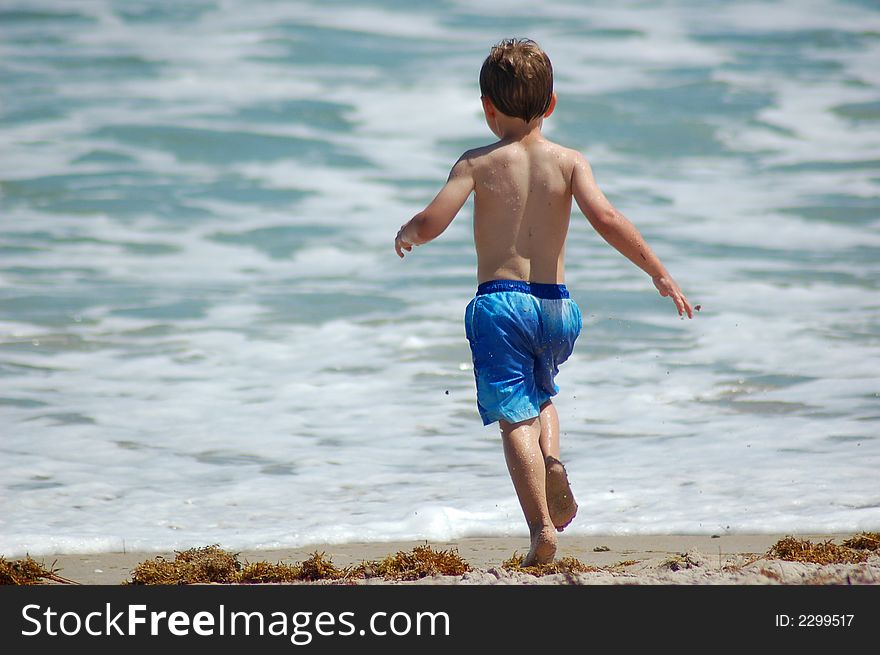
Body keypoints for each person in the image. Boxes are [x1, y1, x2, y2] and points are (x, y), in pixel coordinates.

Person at [394, 38, 694, 566]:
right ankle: (552, 460)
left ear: (488, 108)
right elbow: (608, 220)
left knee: (515, 418)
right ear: (551, 104)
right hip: (558, 308)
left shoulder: (476, 162)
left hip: (501, 305)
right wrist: (660, 274)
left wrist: (410, 233)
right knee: (542, 395)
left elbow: (433, 220)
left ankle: (541, 532)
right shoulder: (571, 162)